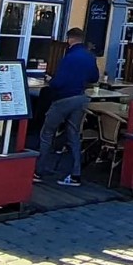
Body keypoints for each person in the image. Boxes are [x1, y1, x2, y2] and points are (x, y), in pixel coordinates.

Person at [34, 27, 98, 187]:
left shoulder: (68, 57)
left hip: (63, 99)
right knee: (74, 135)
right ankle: (75, 174)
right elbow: (94, 77)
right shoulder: (90, 56)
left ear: (70, 39)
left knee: (47, 133)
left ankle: (38, 171)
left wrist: (50, 80)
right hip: (80, 98)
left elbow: (59, 83)